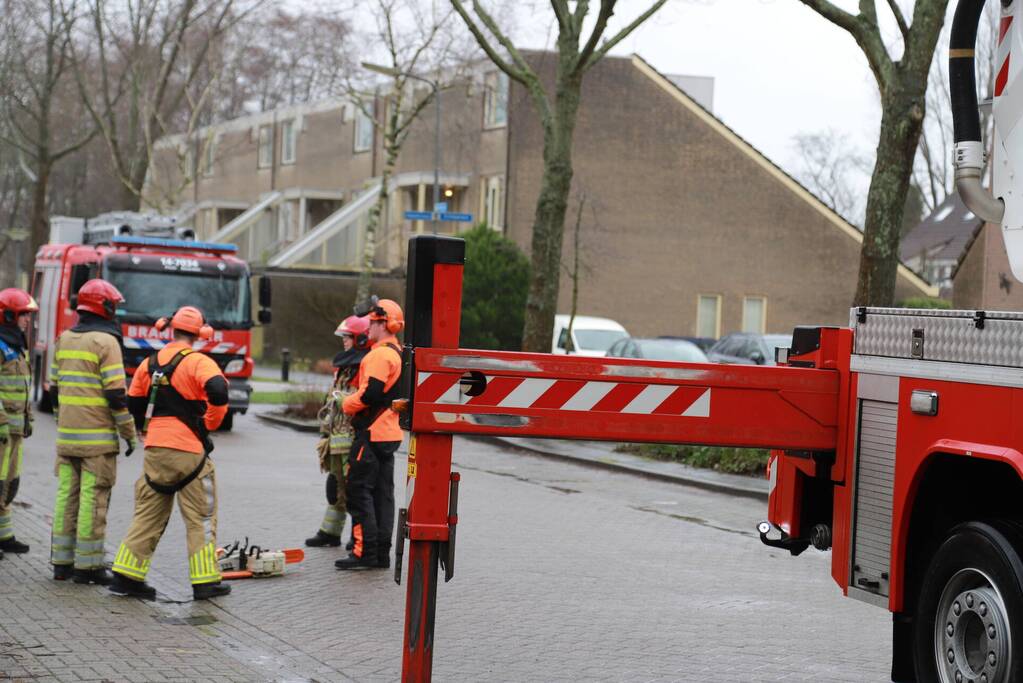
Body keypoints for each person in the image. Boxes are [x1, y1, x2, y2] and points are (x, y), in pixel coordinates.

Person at [110, 306, 230, 601]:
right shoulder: (200, 362)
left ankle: (126, 577)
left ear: (171, 329)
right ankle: (205, 582)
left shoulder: (149, 363)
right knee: (200, 517)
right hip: (190, 451)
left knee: (148, 514)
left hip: (155, 449)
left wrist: (144, 429)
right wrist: (210, 422)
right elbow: (219, 391)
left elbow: (135, 403)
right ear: (200, 333)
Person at [49, 279, 137, 584]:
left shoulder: (64, 338)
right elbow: (116, 395)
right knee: (93, 499)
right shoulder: (106, 342)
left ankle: (61, 562)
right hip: (97, 441)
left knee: (65, 497)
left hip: (66, 438)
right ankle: (87, 567)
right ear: (106, 307)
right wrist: (129, 433)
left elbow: (54, 388)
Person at [335, 298, 404, 570]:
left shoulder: (378, 355)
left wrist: (345, 402)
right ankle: (381, 554)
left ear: (382, 324)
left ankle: (364, 552)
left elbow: (370, 394)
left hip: (371, 433)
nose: (368, 328)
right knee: (383, 495)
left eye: (372, 323)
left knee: (359, 491)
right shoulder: (398, 354)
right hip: (389, 433)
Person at [305, 315, 370, 548]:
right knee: (335, 489)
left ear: (361, 339)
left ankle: (358, 539)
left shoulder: (364, 368)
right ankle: (330, 532)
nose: (344, 342)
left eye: (347, 337)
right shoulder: (344, 368)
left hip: (352, 441)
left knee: (352, 491)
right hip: (335, 440)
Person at [0, 288, 38, 558]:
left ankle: (5, 536)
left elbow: (21, 388)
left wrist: (28, 419)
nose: (27, 320)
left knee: (9, 483)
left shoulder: (16, 346)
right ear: (9, 315)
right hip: (2, 429)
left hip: (15, 430)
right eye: (24, 314)